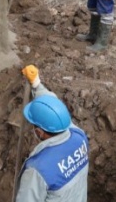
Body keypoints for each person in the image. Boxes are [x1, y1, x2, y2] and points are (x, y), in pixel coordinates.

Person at [15, 65, 89, 202]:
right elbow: (56, 111)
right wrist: (36, 83)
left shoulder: (38, 170)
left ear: (39, 132)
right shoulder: (79, 137)